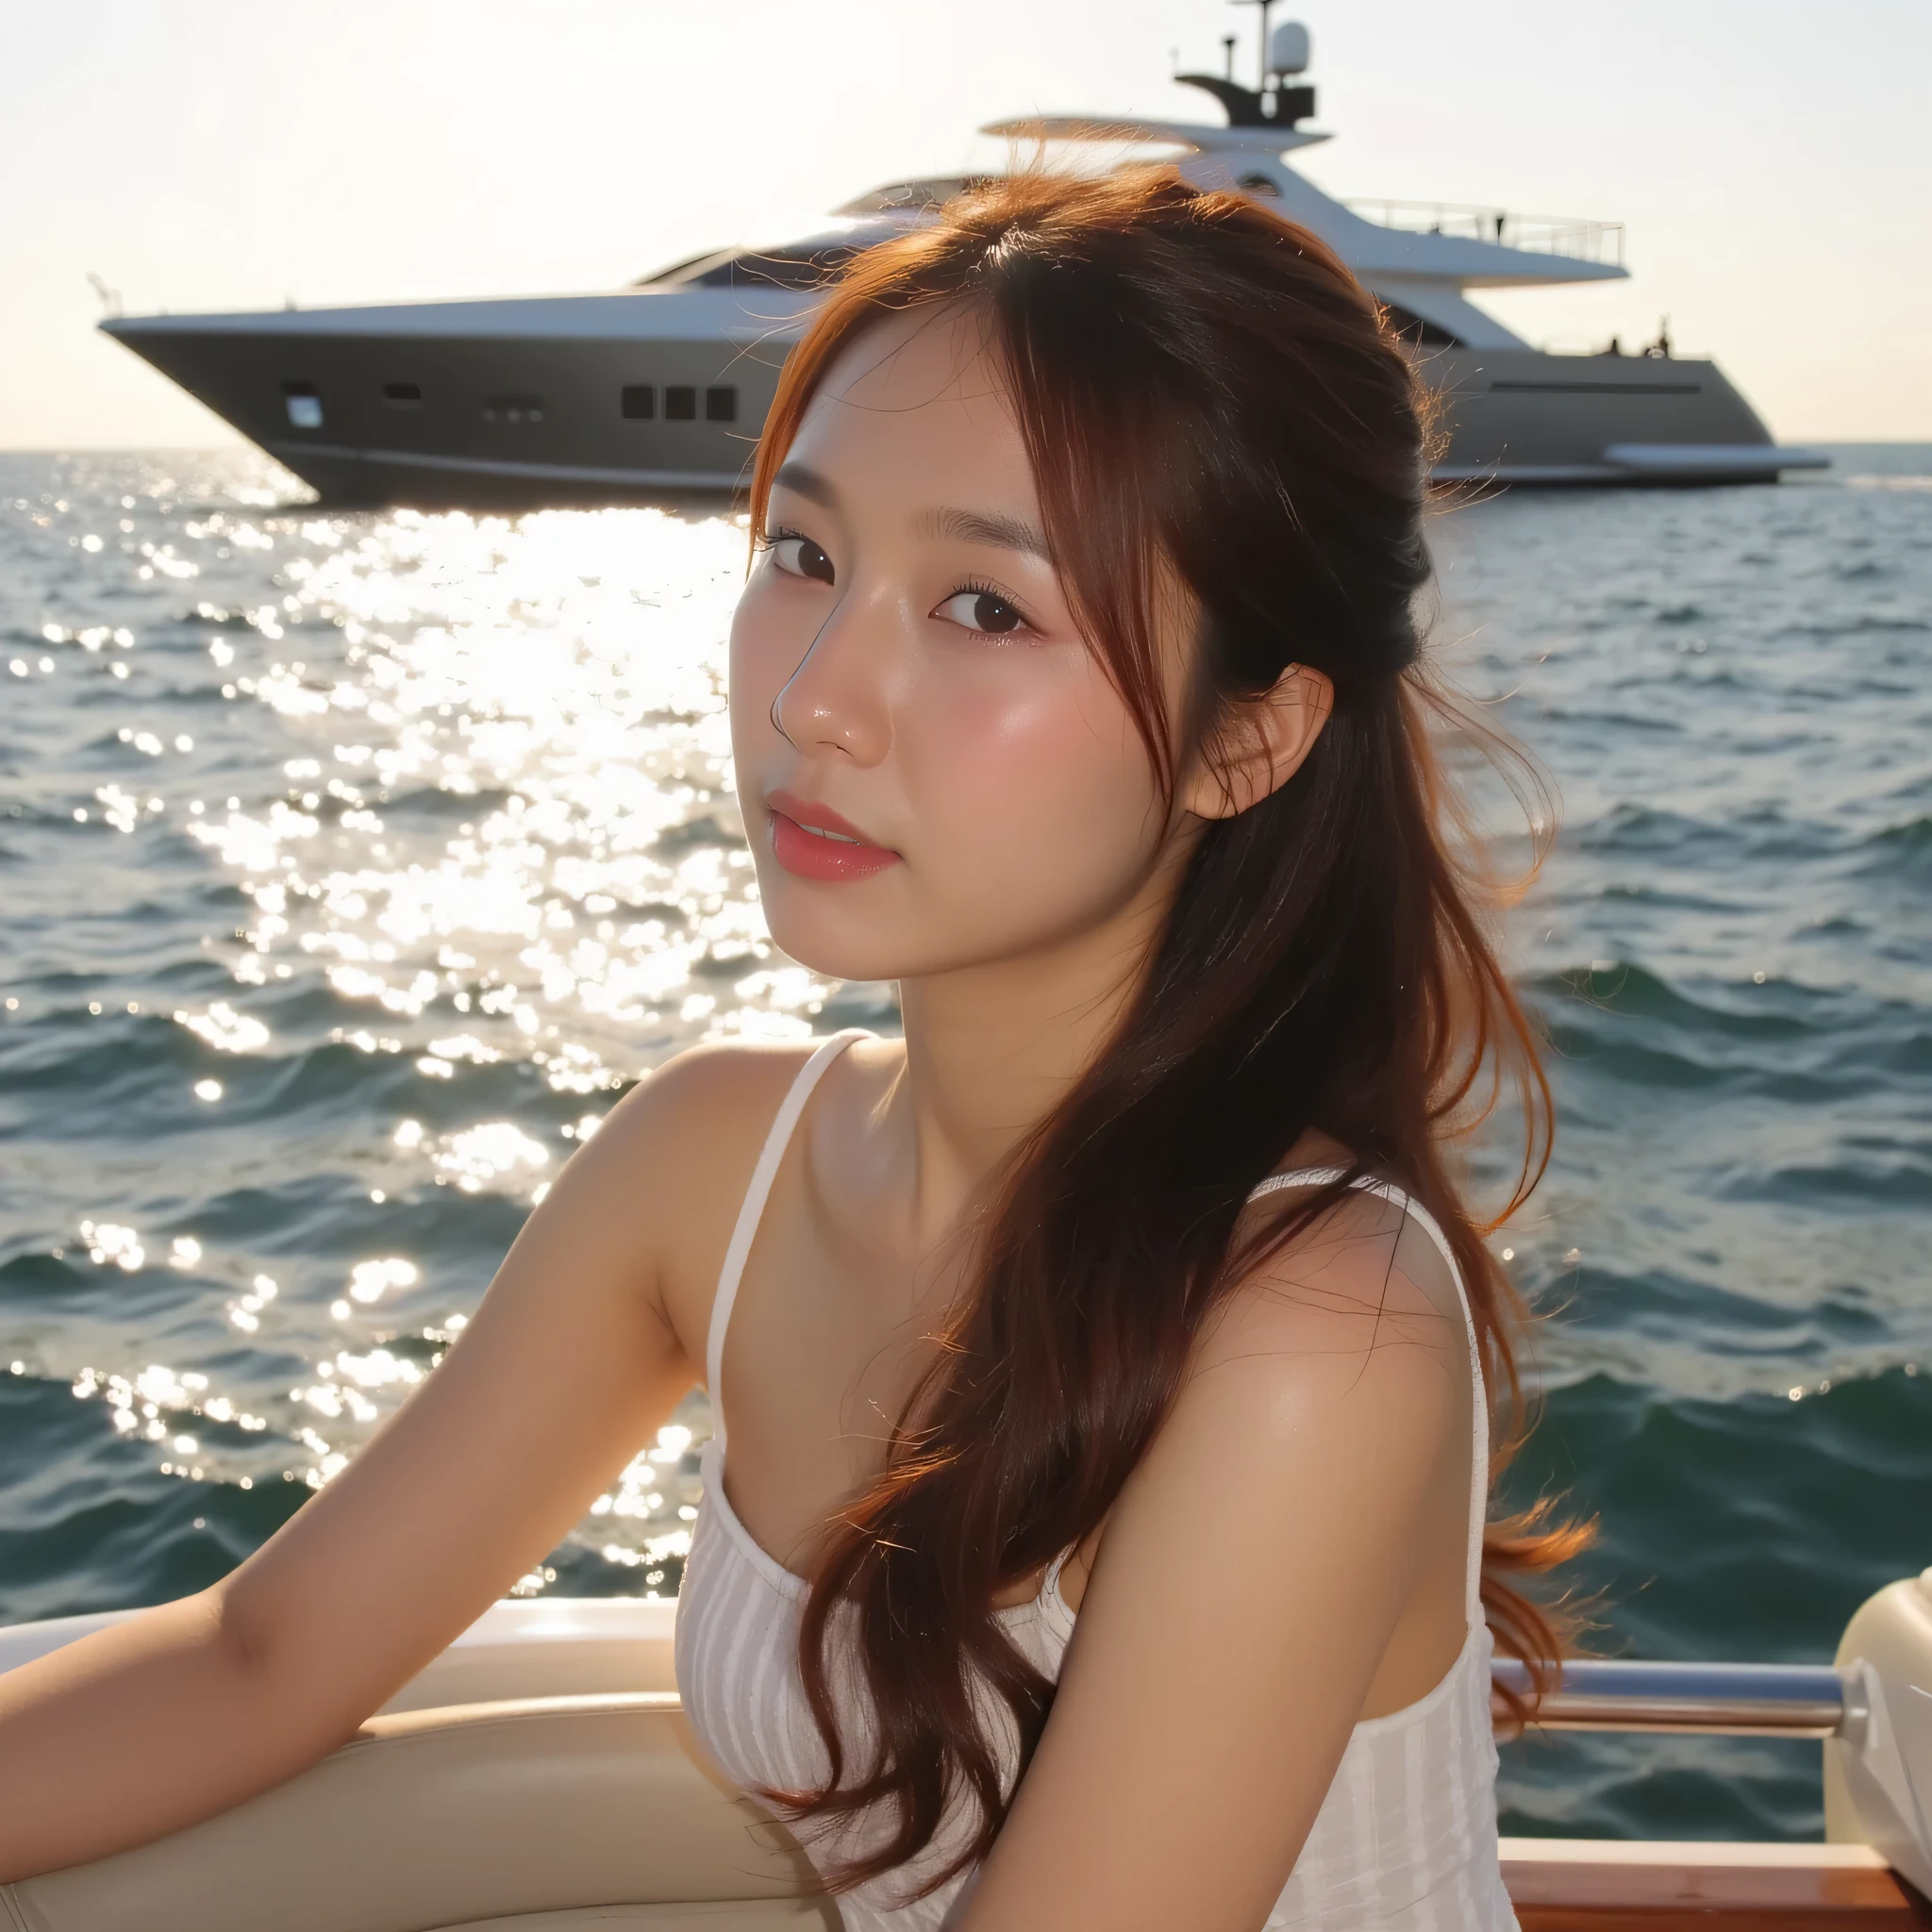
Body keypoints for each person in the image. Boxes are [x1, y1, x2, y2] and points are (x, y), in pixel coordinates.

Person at [0, 169, 1576, 1929]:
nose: (815, 691)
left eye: (987, 606)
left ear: (1248, 738)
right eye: (805, 555)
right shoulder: (710, 1165)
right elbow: (262, 1657)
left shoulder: (1309, 1329)